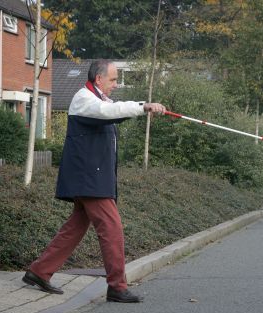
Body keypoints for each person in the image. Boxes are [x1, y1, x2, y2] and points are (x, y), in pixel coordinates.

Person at [22, 59, 166, 303]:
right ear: (98, 79)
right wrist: (144, 106)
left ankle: (39, 271)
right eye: (113, 79)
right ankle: (117, 287)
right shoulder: (84, 99)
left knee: (75, 228)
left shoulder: (100, 99)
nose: (116, 84)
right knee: (112, 229)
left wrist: (142, 108)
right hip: (89, 179)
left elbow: (114, 108)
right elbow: (108, 112)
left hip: (92, 178)